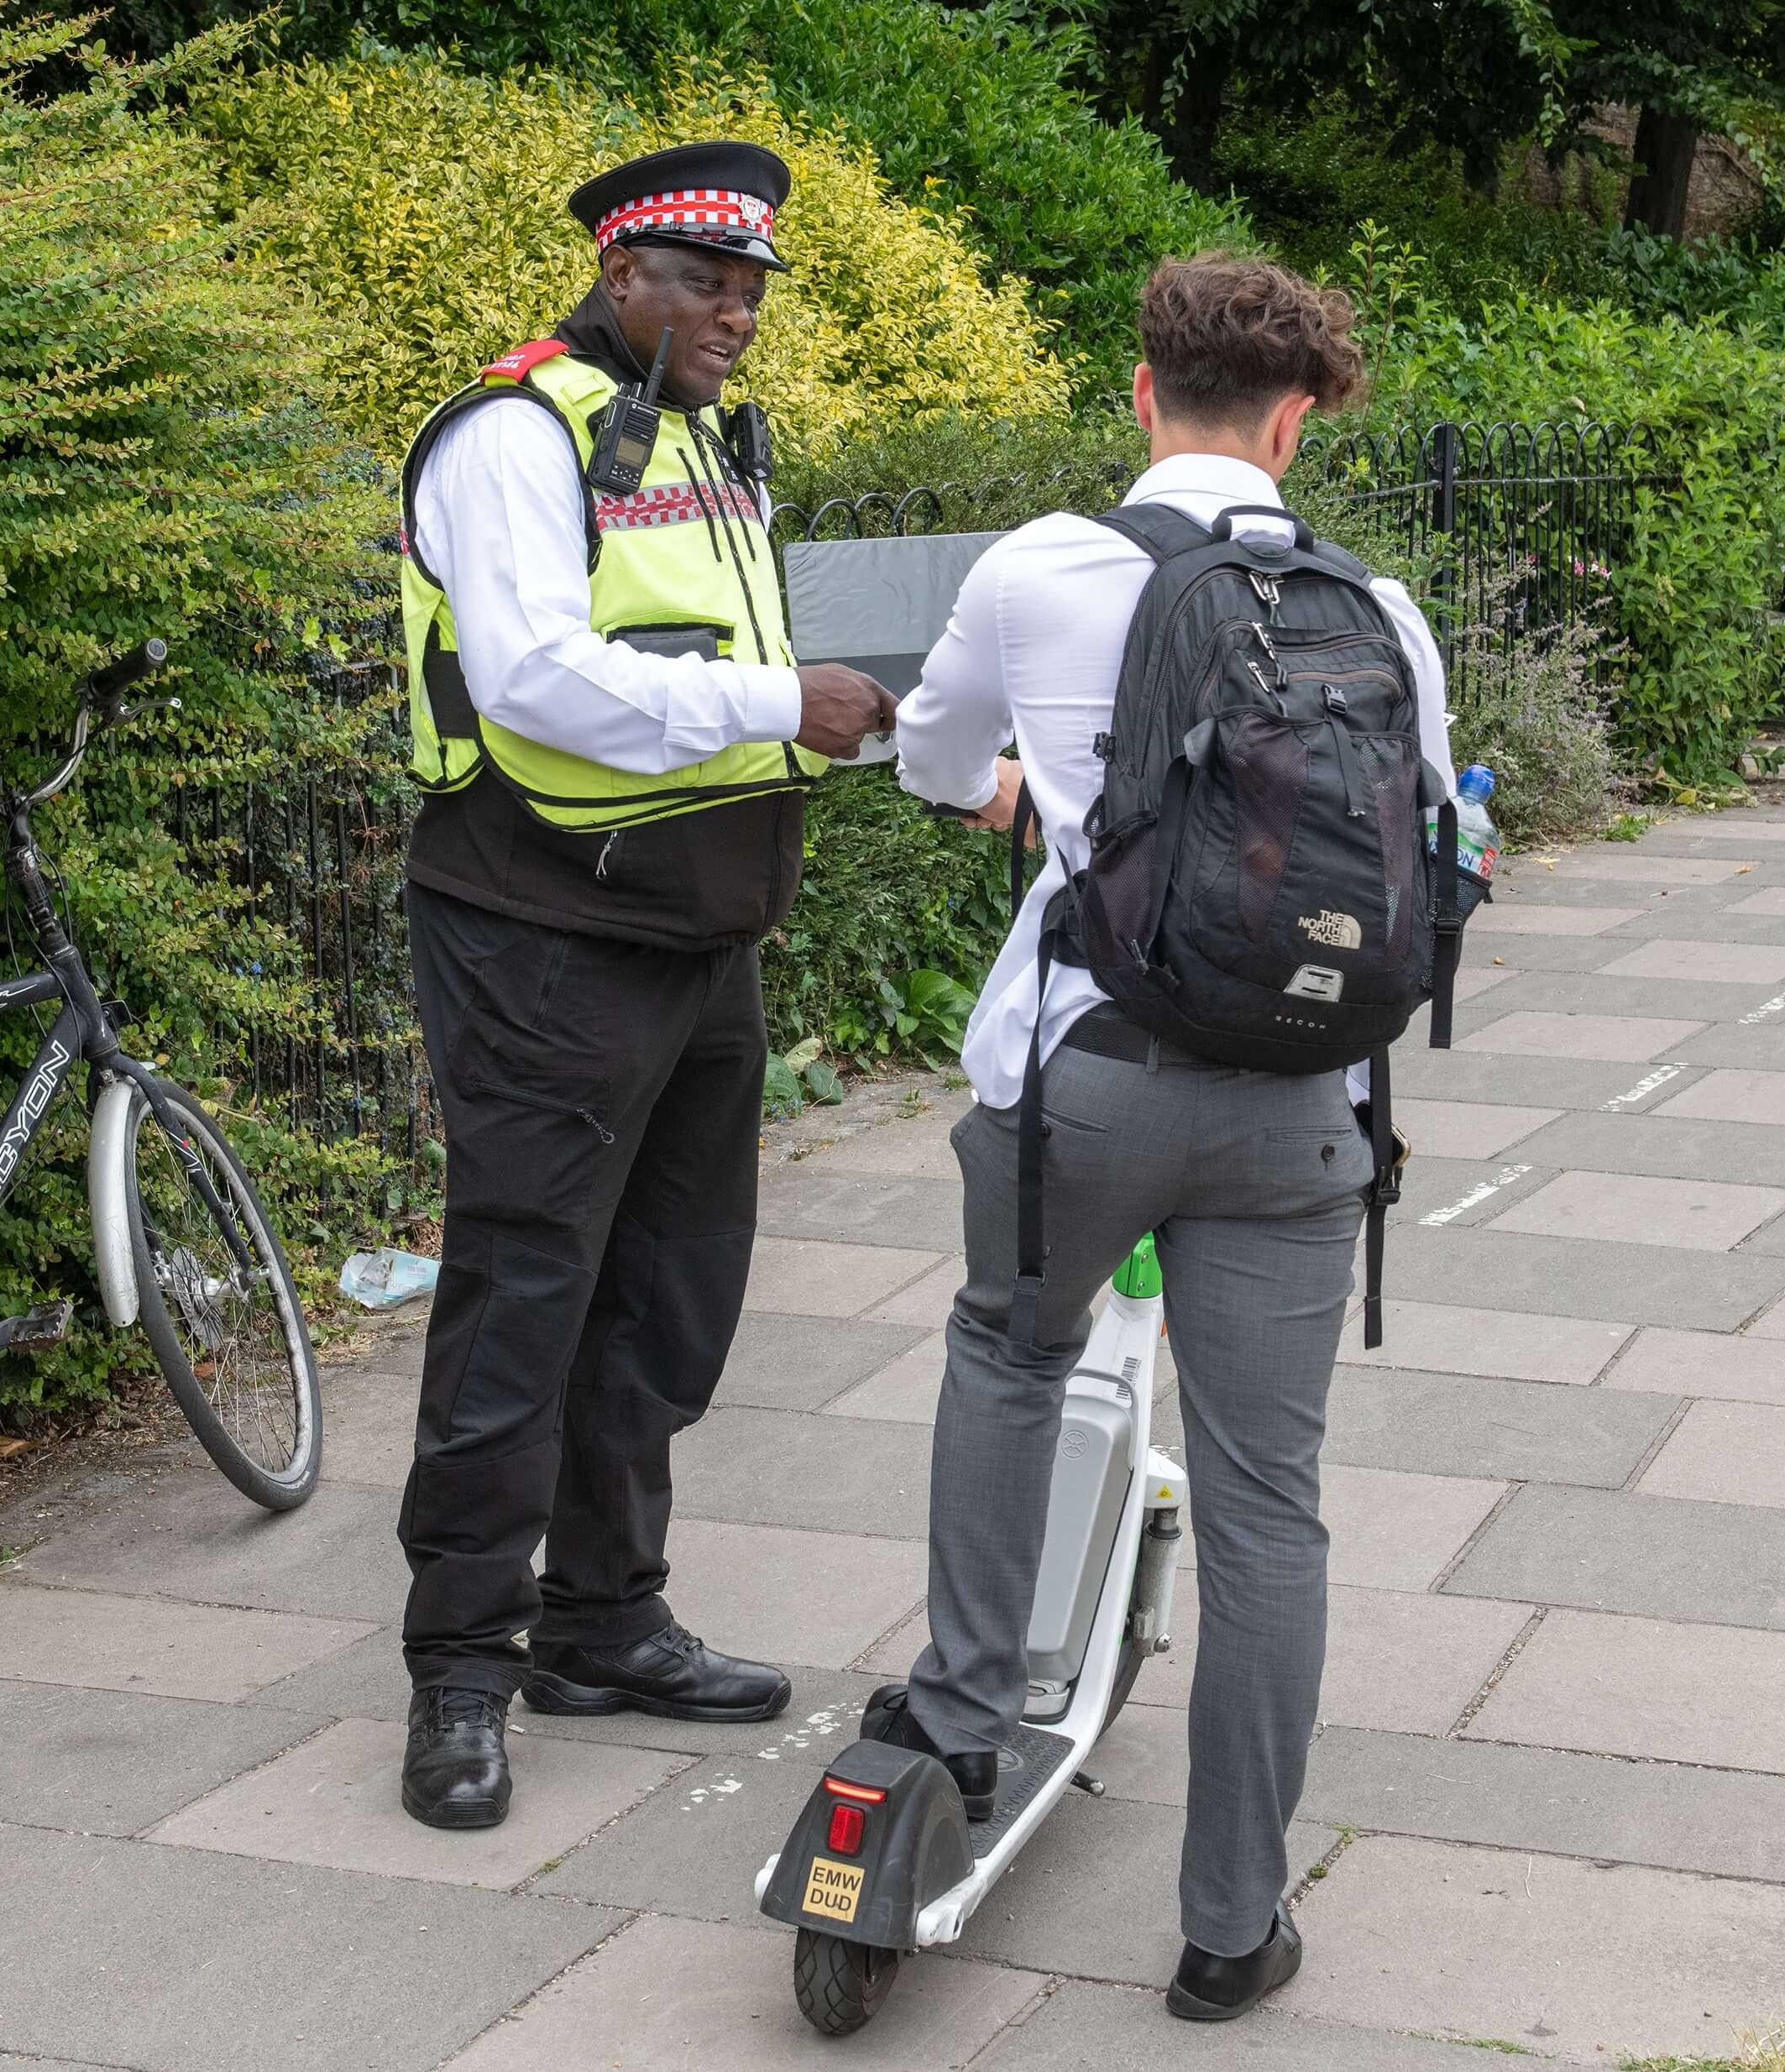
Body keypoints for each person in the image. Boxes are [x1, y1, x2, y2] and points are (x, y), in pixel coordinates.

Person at [880, 254, 1454, 2017]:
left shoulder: (1038, 567)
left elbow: (926, 762)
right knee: (1269, 1502)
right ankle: (1229, 1923)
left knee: (1007, 1349)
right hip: (1297, 1111)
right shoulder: (1380, 607)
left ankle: (966, 1726)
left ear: (1137, 395)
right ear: (1293, 421)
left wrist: (1017, 795)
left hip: (1084, 1090)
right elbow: (1423, 834)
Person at [391, 141, 898, 1830]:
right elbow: (533, 679)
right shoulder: (511, 435)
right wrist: (777, 706)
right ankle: (462, 1668)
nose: (733, 314)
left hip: (695, 932)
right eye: (702, 281)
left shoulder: (696, 436)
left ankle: (602, 1622)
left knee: (668, 1297)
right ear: (622, 274)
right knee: (522, 1297)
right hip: (539, 928)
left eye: (750, 288)